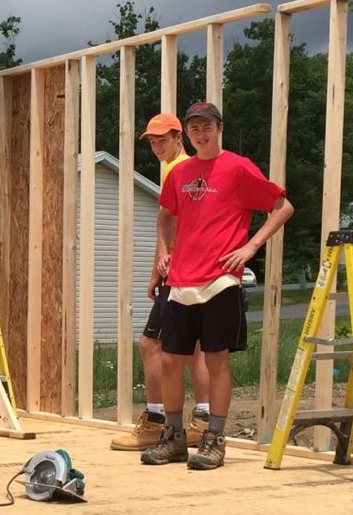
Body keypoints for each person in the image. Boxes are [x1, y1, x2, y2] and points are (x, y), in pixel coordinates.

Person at [142, 102, 294, 470]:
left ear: (219, 128)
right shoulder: (180, 174)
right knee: (169, 359)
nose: (200, 133)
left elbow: (282, 206)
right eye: (194, 127)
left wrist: (250, 247)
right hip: (182, 279)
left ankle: (214, 438)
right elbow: (166, 215)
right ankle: (174, 437)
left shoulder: (237, 167)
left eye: (206, 126)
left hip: (220, 279)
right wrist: (164, 258)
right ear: (188, 133)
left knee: (215, 359)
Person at [110, 113, 212, 451]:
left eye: (162, 141)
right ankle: (202, 421)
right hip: (197, 268)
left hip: (181, 269)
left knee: (151, 345)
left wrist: (160, 266)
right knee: (197, 350)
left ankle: (156, 423)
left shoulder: (179, 169)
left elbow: (170, 223)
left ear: (178, 138)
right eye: (152, 142)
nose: (156, 147)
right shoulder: (188, 168)